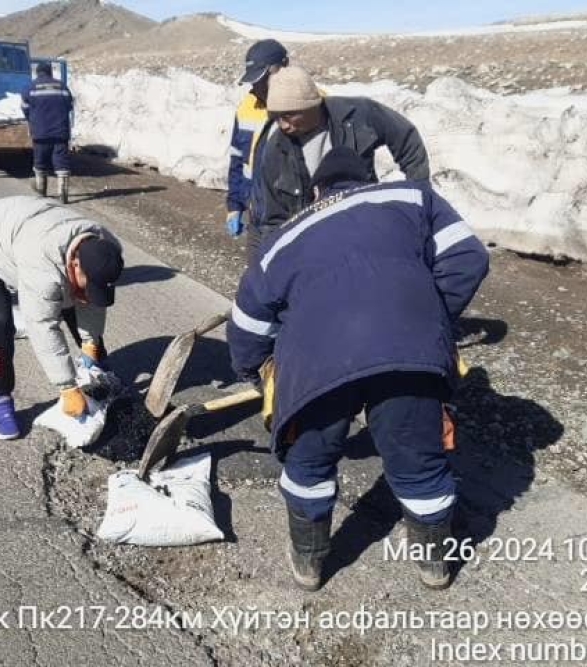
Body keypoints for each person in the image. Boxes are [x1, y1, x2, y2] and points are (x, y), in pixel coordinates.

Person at [227, 147, 489, 592]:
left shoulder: (281, 240)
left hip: (315, 365)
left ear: (316, 191)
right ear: (368, 179)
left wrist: (256, 372)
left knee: (309, 460)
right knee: (419, 462)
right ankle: (433, 566)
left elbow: (248, 324)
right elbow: (469, 257)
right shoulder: (412, 198)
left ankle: (309, 564)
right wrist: (427, 321)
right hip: (408, 355)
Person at [0, 196, 124, 440]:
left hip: (21, 229)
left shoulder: (107, 247)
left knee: (78, 295)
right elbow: (43, 325)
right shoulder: (42, 267)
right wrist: (67, 387)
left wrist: (90, 344)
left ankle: (99, 371)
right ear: (75, 263)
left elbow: (92, 302)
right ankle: (0, 401)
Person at [247, 66, 430, 262]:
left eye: (289, 115)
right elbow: (274, 219)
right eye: (276, 118)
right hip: (315, 243)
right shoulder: (276, 150)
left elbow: (405, 138)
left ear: (311, 105)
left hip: (365, 226)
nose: (283, 125)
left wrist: (418, 192)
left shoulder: (357, 114)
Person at [224, 39, 289, 239]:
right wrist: (235, 206)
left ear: (284, 66)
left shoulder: (310, 106)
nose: (257, 85)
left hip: (292, 217)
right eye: (254, 80)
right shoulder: (246, 108)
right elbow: (237, 160)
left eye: (263, 77)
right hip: (257, 215)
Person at [21, 62, 74, 202]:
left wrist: (32, 119)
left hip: (40, 132)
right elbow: (69, 106)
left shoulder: (30, 87)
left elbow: (25, 108)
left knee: (40, 160)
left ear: (38, 72)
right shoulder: (62, 86)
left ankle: (41, 190)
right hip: (60, 131)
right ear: (50, 72)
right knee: (61, 160)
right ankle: (63, 194)